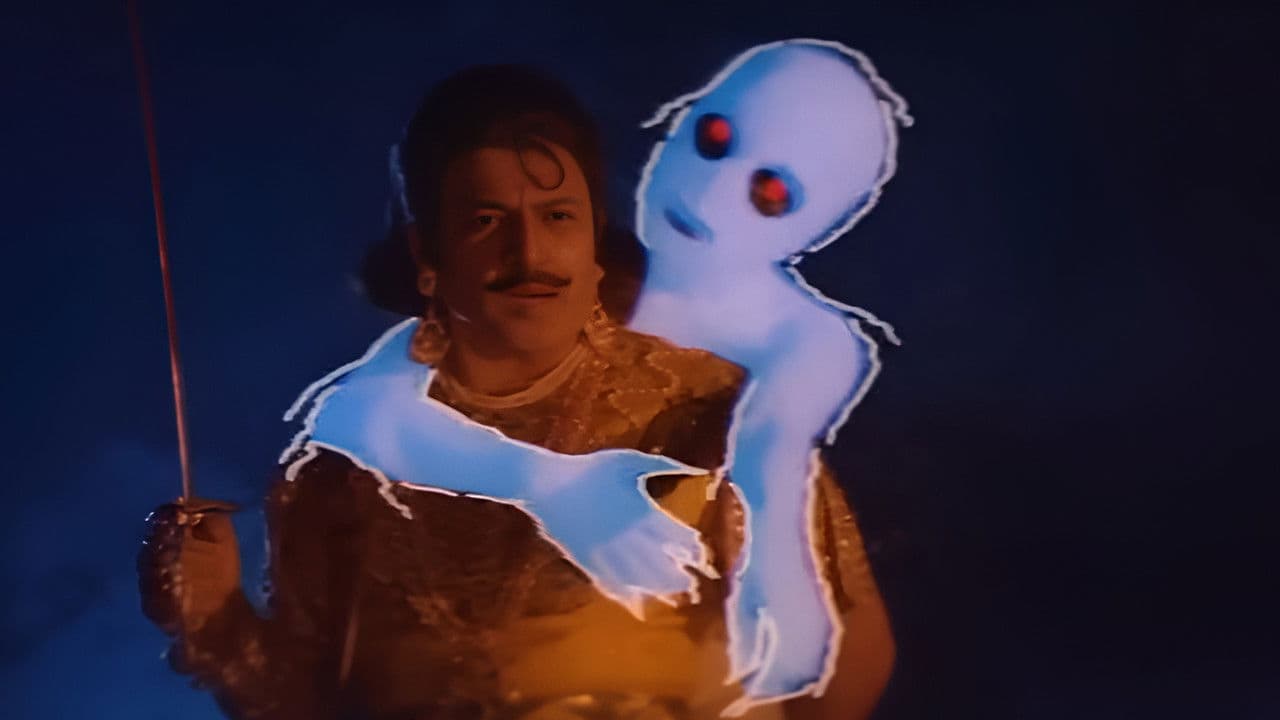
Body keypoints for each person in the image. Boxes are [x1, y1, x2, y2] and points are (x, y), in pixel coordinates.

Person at [138, 64, 895, 720]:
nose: (528, 252)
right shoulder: (338, 472)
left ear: (593, 239)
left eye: (557, 217)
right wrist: (216, 620)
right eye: (487, 220)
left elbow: (845, 661)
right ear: (427, 253)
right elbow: (303, 704)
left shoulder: (709, 418)